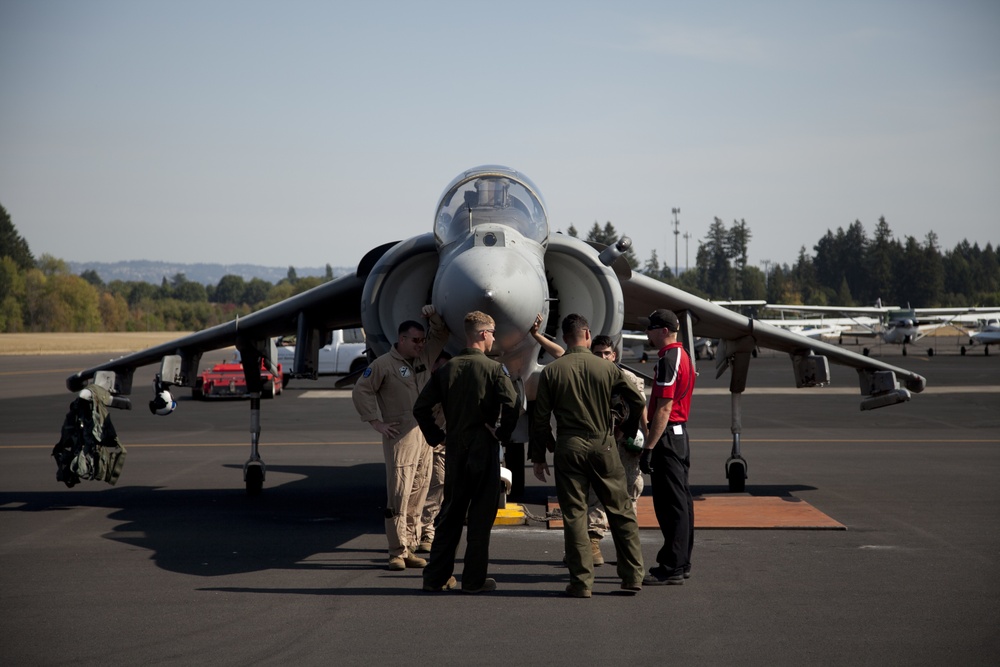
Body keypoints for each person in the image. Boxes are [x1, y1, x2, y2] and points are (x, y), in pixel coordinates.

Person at [531, 313, 646, 598]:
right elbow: (637, 398)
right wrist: (627, 429)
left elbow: (540, 419)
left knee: (574, 516)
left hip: (568, 446)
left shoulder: (552, 371)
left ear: (565, 338)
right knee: (620, 510)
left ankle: (581, 582)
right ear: (587, 335)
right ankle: (632, 576)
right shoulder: (607, 368)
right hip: (604, 444)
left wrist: (540, 453)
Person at [414, 311, 519, 593]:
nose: (494, 338)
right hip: (483, 448)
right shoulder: (495, 369)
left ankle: (435, 577)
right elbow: (513, 405)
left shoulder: (446, 369)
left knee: (450, 514)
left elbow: (420, 408)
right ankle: (473, 580)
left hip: (455, 448)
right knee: (480, 518)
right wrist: (503, 433)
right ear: (483, 334)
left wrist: (438, 437)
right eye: (492, 333)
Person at [352, 306, 448, 571]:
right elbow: (362, 390)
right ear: (402, 339)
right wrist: (376, 422)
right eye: (415, 340)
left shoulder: (424, 358)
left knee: (418, 492)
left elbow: (441, 334)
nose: (421, 344)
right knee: (399, 496)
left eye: (422, 340)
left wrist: (433, 316)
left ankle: (410, 547)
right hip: (400, 438)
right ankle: (395, 551)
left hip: (424, 437)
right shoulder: (383, 365)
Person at [639, 308, 696, 586]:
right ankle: (681, 561)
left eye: (651, 328)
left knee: (671, 504)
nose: (647, 333)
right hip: (679, 435)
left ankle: (671, 565)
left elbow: (664, 407)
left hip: (668, 436)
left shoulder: (668, 359)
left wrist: (649, 446)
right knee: (682, 501)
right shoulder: (682, 355)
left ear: (663, 331)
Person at [586, 334, 648, 566]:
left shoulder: (629, 378)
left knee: (630, 493)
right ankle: (592, 543)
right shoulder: (589, 378)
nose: (602, 358)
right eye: (597, 354)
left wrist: (644, 438)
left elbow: (640, 407)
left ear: (614, 355)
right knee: (597, 492)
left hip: (625, 446)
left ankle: (626, 552)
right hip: (601, 443)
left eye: (606, 354)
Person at [416, 351, 451, 553]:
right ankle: (415, 533)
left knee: (438, 485)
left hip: (439, 446)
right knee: (416, 488)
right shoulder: (422, 385)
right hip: (419, 444)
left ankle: (426, 531)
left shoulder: (450, 386)